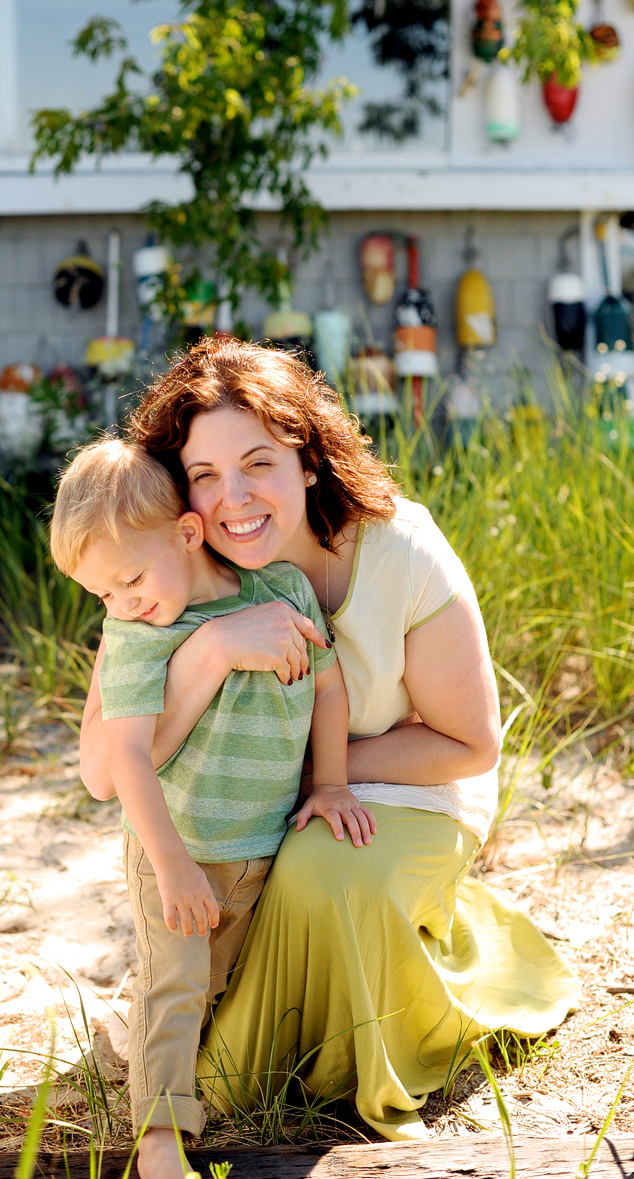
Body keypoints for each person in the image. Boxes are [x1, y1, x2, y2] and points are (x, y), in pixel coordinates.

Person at [77, 338, 580, 1152]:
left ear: (309, 462)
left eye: (259, 463)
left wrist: (320, 777)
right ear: (181, 500)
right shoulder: (166, 567)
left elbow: (470, 743)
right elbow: (104, 773)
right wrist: (207, 654)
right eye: (205, 475)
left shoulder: (399, 550)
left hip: (409, 787)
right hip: (247, 812)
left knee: (320, 865)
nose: (233, 499)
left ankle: (347, 1040)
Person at [51, 439, 375, 1179]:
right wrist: (170, 868)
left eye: (129, 578)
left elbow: (328, 689)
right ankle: (159, 1145)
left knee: (213, 984)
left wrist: (331, 782)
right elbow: (126, 757)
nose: (122, 602)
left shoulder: (284, 592)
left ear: (187, 534)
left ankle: (125, 1038)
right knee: (177, 984)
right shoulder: (140, 637)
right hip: (182, 846)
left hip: (261, 844)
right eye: (102, 594)